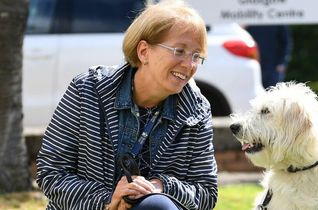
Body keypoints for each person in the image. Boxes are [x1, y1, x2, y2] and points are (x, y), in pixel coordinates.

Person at [36, 1, 218, 210]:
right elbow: (51, 172)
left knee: (158, 206)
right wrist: (108, 200)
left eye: (196, 56)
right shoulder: (87, 88)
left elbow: (206, 192)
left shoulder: (196, 108)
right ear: (143, 51)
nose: (189, 65)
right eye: (179, 51)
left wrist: (159, 187)